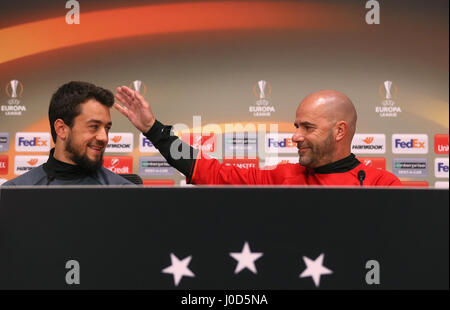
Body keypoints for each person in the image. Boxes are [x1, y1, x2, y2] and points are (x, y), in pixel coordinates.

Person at [114, 86, 401, 187]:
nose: (295, 136)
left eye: (307, 127)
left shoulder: (381, 184)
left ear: (340, 131)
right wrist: (154, 129)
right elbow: (209, 172)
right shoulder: (282, 176)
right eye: (296, 126)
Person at [3, 81, 133, 186]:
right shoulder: (15, 192)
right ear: (61, 129)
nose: (104, 137)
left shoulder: (123, 192)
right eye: (94, 126)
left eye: (107, 128)